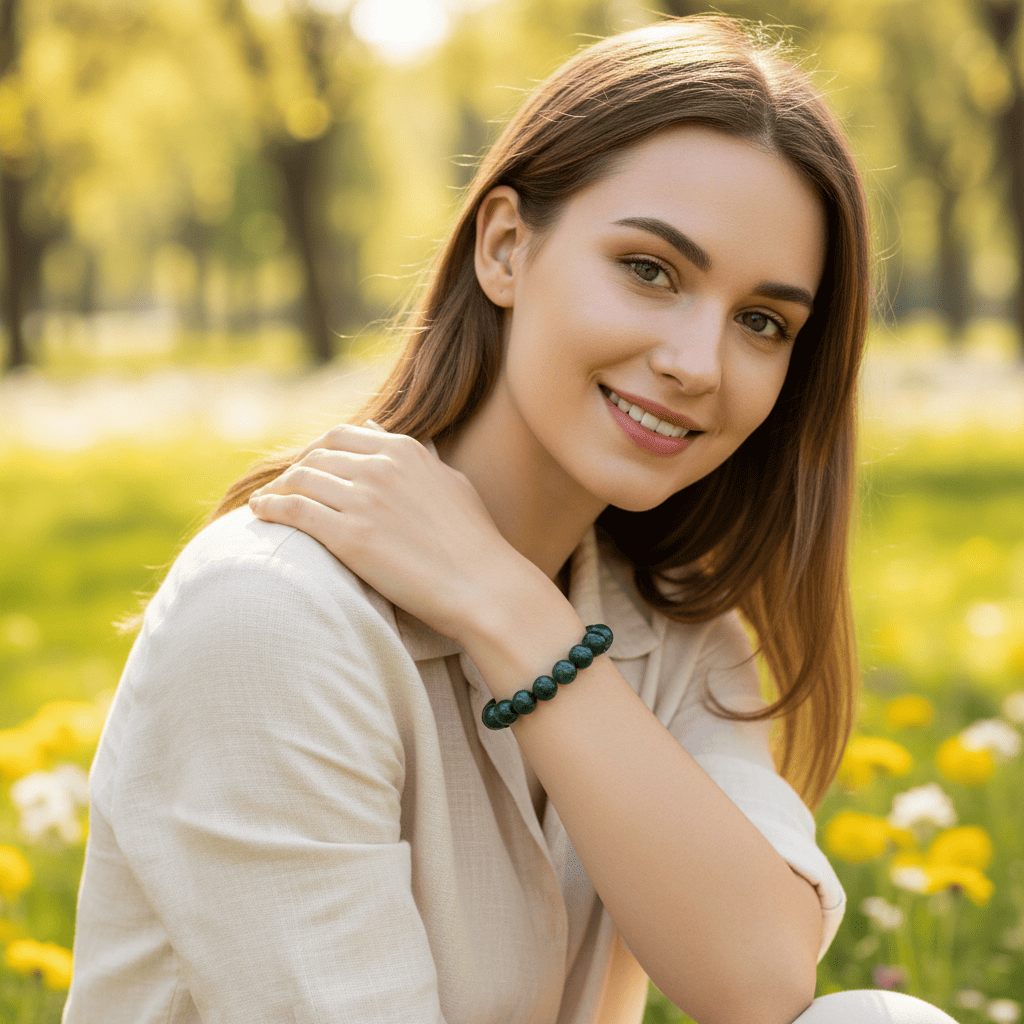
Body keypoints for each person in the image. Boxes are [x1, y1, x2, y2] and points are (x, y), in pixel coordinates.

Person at [63, 15, 960, 1024]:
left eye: (762, 321)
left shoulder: (676, 638)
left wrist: (507, 607)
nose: (697, 363)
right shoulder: (271, 616)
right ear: (503, 247)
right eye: (649, 270)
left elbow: (758, 983)